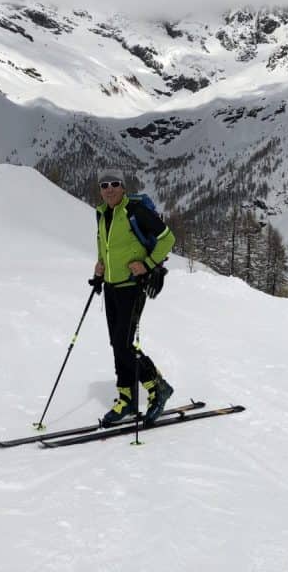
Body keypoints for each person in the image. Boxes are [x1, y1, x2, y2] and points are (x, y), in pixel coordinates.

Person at [93, 167, 176, 426]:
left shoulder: (135, 211)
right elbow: (106, 247)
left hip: (132, 286)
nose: (109, 189)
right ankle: (126, 398)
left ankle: (157, 387)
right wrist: (100, 267)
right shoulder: (103, 214)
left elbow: (168, 239)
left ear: (123, 187)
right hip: (110, 286)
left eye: (114, 184)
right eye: (104, 185)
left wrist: (148, 264)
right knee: (117, 344)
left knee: (124, 343)